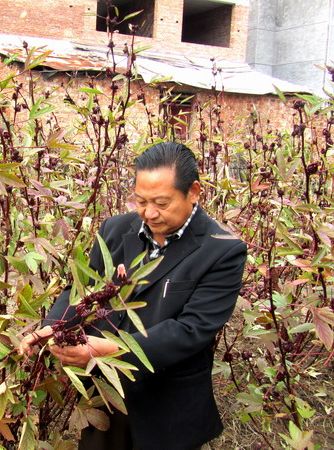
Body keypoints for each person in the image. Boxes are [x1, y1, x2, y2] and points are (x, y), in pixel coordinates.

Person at [19, 142, 247, 450]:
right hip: (104, 395)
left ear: (193, 192)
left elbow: (191, 330)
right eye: (140, 200)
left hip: (167, 405)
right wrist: (55, 327)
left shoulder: (222, 250)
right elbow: (83, 290)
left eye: (162, 203)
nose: (149, 213)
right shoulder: (115, 228)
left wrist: (109, 349)